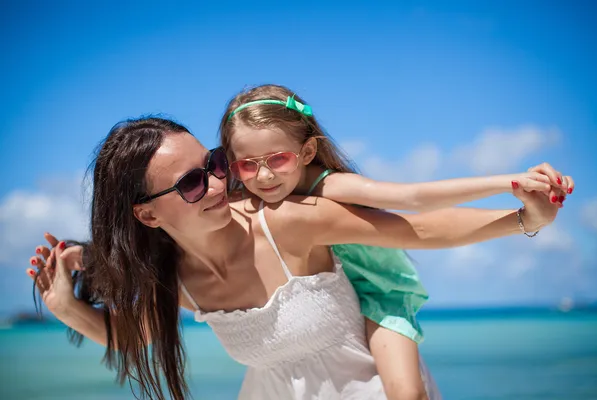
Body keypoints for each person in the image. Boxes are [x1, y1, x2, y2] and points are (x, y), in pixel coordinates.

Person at [27, 117, 566, 400]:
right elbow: (136, 337)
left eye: (215, 163)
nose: (218, 181)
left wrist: (520, 220)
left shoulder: (283, 222)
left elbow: (414, 227)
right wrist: (67, 307)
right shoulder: (175, 279)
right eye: (192, 182)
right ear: (147, 216)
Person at [218, 84, 573, 398]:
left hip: (378, 293)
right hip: (324, 310)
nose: (263, 175)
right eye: (247, 165)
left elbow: (412, 200)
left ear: (308, 152)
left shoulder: (327, 187)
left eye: (278, 159)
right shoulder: (246, 202)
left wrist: (510, 183)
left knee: (406, 393)